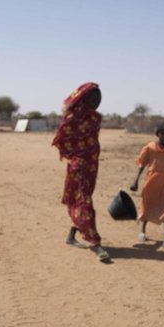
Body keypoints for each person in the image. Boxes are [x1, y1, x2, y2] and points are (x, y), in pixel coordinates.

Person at [52, 82, 110, 261]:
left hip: (92, 165)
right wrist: (73, 157)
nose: (96, 102)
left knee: (82, 200)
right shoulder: (72, 117)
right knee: (84, 203)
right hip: (78, 167)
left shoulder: (95, 119)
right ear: (84, 98)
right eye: (93, 98)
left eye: (98, 99)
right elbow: (61, 139)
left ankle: (71, 235)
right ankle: (95, 243)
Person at [129, 122, 164, 249]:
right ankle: (142, 231)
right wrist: (136, 181)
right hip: (151, 180)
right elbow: (142, 164)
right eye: (162, 134)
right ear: (158, 134)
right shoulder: (150, 148)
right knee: (147, 204)